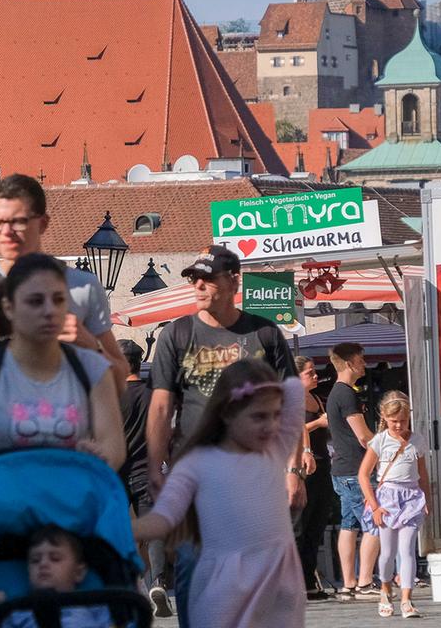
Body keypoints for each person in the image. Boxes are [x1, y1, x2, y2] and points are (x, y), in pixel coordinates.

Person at [145, 245, 299, 626]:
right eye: (193, 279)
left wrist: (294, 468)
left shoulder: (263, 333)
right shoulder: (176, 334)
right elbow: (162, 406)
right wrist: (154, 468)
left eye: (207, 278)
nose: (197, 285)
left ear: (233, 281)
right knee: (195, 572)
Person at [133, 359, 306, 628]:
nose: (270, 425)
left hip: (277, 587)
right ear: (227, 414)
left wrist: (264, 374)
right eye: (258, 416)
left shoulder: (274, 451)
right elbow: (165, 517)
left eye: (275, 415)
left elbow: (295, 390)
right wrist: (121, 530)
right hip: (224, 588)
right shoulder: (196, 464)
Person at [0, 253, 125, 473]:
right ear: (8, 308)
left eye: (59, 300)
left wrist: (101, 458)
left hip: (69, 500)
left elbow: (114, 445)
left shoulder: (93, 367)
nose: (49, 311)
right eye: (35, 301)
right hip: (1, 499)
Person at [0, 174, 126, 383]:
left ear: (43, 223)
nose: (6, 232)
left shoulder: (82, 287)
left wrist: (90, 345)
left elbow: (121, 381)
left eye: (18, 222)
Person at [357, 391, 429, 619]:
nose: (399, 425)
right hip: (387, 498)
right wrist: (375, 505)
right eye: (394, 421)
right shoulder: (379, 441)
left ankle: (407, 598)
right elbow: (363, 475)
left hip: (411, 498)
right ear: (385, 419)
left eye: (403, 421)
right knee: (387, 551)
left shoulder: (417, 440)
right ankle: (386, 590)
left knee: (407, 549)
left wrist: (426, 498)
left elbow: (423, 473)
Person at [116, 339, 168, 616]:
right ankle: (157, 580)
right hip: (147, 470)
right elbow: (165, 433)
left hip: (113, 474)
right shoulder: (153, 395)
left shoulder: (107, 396)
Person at [323, 343, 379, 601]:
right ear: (348, 363)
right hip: (356, 470)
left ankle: (348, 583)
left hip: (343, 469)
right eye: (360, 358)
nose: (364, 363)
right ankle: (365, 582)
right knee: (374, 525)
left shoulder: (338, 393)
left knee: (350, 525)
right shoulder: (346, 394)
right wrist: (385, 446)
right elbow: (363, 436)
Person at [0, 526, 113, 628]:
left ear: (78, 573)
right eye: (35, 560)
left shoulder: (94, 604)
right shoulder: (18, 610)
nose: (43, 564)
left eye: (55, 558)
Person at [293, 356, 334, 601]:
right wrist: (319, 422)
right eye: (310, 373)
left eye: (315, 372)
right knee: (300, 525)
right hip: (302, 465)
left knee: (317, 523)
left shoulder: (316, 398)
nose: (315, 376)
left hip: (322, 462)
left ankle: (309, 579)